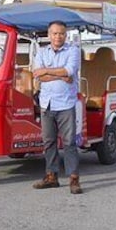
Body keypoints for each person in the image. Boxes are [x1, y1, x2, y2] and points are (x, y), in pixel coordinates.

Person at [31, 20, 83, 194]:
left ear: (65, 35)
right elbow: (38, 75)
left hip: (66, 103)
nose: (57, 36)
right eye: (54, 33)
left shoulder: (72, 51)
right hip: (47, 104)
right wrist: (59, 74)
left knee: (69, 143)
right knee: (49, 142)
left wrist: (47, 71)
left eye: (61, 33)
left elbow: (69, 70)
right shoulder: (41, 52)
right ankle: (51, 176)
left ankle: (74, 179)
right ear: (49, 35)